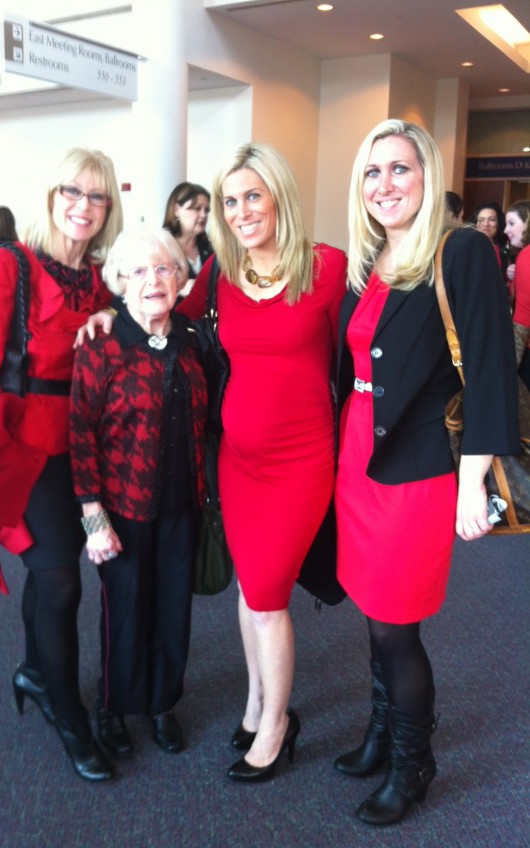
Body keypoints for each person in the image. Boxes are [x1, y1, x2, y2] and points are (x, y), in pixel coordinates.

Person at [333, 119, 519, 826]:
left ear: (426, 173)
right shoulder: (372, 259)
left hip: (417, 471)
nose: (385, 185)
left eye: (401, 169)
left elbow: (491, 369)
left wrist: (474, 481)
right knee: (373, 612)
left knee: (396, 625)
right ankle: (382, 733)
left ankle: (414, 762)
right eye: (373, 172)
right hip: (360, 459)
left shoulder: (461, 250)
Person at [0, 148, 124, 781]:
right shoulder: (10, 266)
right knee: (60, 582)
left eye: (97, 196)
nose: (82, 205)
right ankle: (68, 713)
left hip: (84, 449)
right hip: (23, 449)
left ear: (110, 208)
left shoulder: (104, 279)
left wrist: (116, 313)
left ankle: (32, 669)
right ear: (52, 196)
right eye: (71, 192)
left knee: (53, 575)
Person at [177, 143, 347, 782]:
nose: (242, 211)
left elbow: (359, 350)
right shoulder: (222, 270)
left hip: (302, 461)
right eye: (230, 200)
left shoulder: (326, 267)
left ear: (278, 195)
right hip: (236, 461)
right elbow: (170, 315)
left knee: (269, 595)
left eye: (253, 195)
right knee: (250, 592)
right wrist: (112, 314)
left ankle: (277, 723)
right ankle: (255, 701)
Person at [70, 227, 207, 758]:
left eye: (165, 268)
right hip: (120, 509)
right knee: (124, 610)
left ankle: (161, 703)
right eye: (140, 271)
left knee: (174, 609)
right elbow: (79, 432)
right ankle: (113, 705)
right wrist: (92, 517)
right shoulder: (101, 344)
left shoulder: (194, 340)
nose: (155, 279)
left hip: (182, 506)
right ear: (121, 282)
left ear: (180, 277)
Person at [162, 181, 214, 293]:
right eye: (197, 208)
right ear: (177, 210)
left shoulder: (209, 248)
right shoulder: (161, 247)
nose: (204, 215)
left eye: (206, 210)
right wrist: (178, 289)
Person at [504, 200, 530, 388]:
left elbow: (523, 314)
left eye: (512, 223)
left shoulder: (527, 255)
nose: (506, 230)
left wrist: (509, 365)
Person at [471, 200, 510, 283]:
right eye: (481, 220)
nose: (486, 224)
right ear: (475, 224)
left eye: (491, 219)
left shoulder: (505, 245)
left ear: (498, 223)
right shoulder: (468, 247)